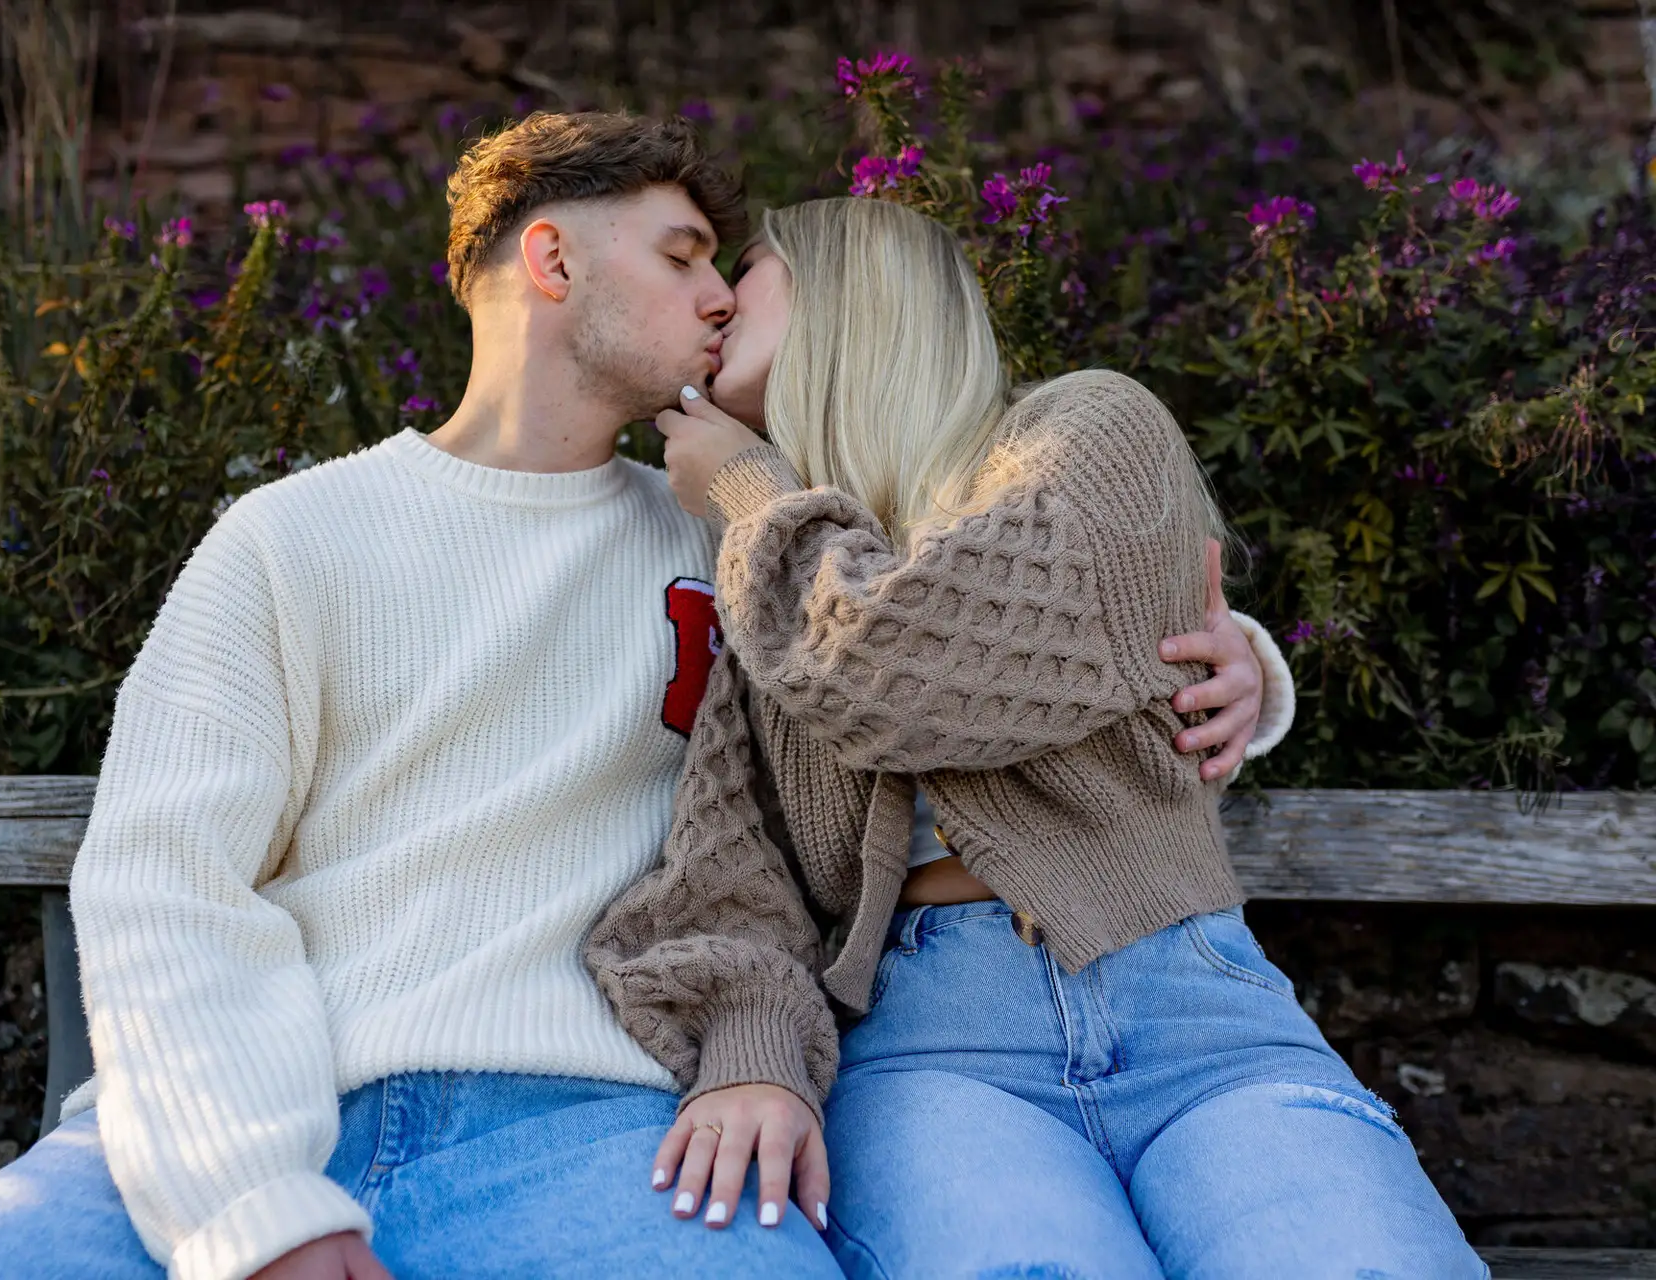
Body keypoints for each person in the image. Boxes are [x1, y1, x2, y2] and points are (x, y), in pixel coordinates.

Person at [0, 115, 1274, 1280]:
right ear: (549, 258)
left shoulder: (737, 541)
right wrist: (252, 1207)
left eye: (732, 270)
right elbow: (165, 883)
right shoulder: (292, 539)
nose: (723, 297)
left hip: (601, 1134)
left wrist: (1239, 664)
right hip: (251, 1117)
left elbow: (950, 614)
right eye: (682, 258)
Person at [588, 196, 1488, 1279]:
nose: (722, 297)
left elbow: (907, 658)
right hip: (935, 1043)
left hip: (1193, 1006)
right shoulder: (756, 570)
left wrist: (745, 488)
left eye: (750, 266)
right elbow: (737, 862)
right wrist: (754, 1052)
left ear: (849, 287)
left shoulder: (1090, 429)